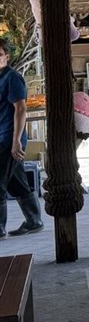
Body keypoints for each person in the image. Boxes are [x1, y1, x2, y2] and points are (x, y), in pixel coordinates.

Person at [0, 38, 44, 237]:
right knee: (15, 181)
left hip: (9, 137)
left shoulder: (12, 78)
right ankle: (33, 221)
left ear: (6, 57)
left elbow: (21, 109)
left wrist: (17, 140)